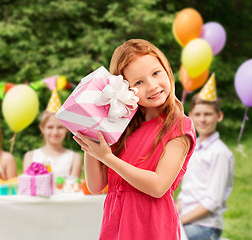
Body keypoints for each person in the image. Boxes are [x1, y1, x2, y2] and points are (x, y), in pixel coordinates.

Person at [73, 39, 196, 240]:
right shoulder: (121, 127)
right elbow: (96, 186)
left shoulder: (179, 125)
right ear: (124, 89)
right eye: (139, 82)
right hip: (116, 226)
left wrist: (107, 157)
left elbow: (158, 186)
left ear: (167, 69)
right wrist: (91, 130)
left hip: (151, 227)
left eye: (156, 73)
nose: (152, 85)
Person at [177, 76, 234, 240]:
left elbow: (212, 202)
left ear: (219, 116)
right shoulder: (193, 149)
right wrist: (173, 216)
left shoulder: (219, 153)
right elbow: (185, 193)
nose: (202, 119)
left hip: (205, 227)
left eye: (208, 114)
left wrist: (179, 222)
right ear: (191, 116)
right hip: (185, 222)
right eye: (198, 114)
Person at [23, 89, 83, 179]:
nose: (55, 132)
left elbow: (73, 187)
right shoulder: (30, 156)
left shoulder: (75, 158)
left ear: (67, 128)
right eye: (50, 127)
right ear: (42, 128)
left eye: (60, 127)